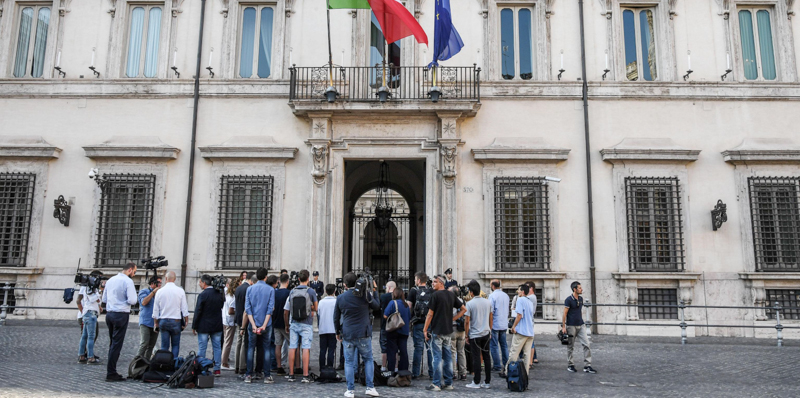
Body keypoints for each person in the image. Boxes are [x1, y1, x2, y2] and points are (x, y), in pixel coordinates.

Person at [334, 272, 381, 398]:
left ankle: (350, 390)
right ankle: (370, 387)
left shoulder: (341, 298)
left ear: (344, 285)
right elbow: (376, 306)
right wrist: (375, 289)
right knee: (368, 359)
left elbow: (336, 317)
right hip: (363, 333)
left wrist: (337, 332)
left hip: (348, 333)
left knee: (348, 362)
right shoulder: (364, 295)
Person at [422, 274, 466, 392]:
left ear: (441, 283)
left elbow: (430, 314)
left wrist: (425, 329)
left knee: (436, 358)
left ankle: (436, 383)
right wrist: (453, 318)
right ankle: (448, 383)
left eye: (435, 282)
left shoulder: (435, 295)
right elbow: (463, 309)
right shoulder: (451, 295)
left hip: (437, 330)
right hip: (448, 330)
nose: (433, 284)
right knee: (447, 358)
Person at [101, 262, 138, 381]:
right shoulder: (128, 281)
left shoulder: (111, 280)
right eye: (135, 272)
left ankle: (111, 370)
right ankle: (111, 373)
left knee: (112, 344)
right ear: (130, 270)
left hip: (110, 314)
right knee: (116, 345)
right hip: (121, 314)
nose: (134, 274)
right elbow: (133, 300)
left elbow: (104, 299)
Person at [284, 269, 318, 382]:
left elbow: (290, 307)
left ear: (298, 279)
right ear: (308, 279)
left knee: (292, 347)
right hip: (306, 323)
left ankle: (291, 374)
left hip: (294, 322)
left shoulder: (292, 291)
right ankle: (305, 375)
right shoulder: (311, 291)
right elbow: (316, 308)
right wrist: (309, 308)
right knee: (305, 348)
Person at [244, 267, 276, 384]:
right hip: (266, 324)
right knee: (266, 348)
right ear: (266, 277)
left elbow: (248, 309)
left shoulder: (250, 289)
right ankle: (267, 375)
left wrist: (253, 325)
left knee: (251, 348)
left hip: (253, 322)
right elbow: (270, 309)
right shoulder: (270, 290)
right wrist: (264, 325)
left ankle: (248, 374)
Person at [193, 274, 225, 376]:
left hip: (204, 325)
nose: (199, 284)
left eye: (200, 282)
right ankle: (217, 368)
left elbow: (198, 311)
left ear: (204, 283)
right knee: (217, 347)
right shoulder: (218, 294)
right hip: (216, 324)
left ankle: (201, 366)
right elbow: (221, 305)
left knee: (202, 347)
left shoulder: (203, 295)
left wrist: (194, 325)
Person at [152, 271, 189, 358]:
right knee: (175, 345)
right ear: (175, 279)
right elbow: (184, 308)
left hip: (163, 320)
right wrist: (186, 321)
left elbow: (155, 310)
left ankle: (164, 364)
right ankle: (174, 364)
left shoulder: (160, 292)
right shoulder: (180, 291)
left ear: (166, 278)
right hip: (176, 321)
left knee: (164, 346)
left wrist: (156, 323)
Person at [463, 280, 492, 389]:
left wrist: (466, 335)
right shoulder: (487, 302)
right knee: (486, 357)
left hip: (475, 334)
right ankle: (487, 381)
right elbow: (491, 317)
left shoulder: (469, 304)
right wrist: (490, 329)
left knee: (476, 358)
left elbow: (467, 321)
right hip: (486, 332)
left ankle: (476, 381)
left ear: (471, 292)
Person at [563, 281, 595, 374]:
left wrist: (581, 320)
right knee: (570, 346)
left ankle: (587, 366)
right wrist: (563, 326)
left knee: (586, 344)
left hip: (580, 325)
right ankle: (570, 364)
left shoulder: (580, 299)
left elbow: (579, 310)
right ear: (575, 289)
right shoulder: (568, 300)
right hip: (571, 326)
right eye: (580, 288)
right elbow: (564, 314)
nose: (582, 289)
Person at [408, 271, 433, 379]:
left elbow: (409, 306)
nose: (414, 281)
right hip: (429, 323)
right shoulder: (431, 291)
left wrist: (410, 319)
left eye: (415, 279)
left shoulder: (413, 291)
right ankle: (432, 373)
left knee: (418, 348)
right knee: (430, 349)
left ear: (418, 280)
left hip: (418, 323)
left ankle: (416, 373)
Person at [506, 284, 535, 374]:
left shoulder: (520, 300)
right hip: (530, 331)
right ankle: (525, 374)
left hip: (521, 331)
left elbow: (519, 315)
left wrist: (514, 326)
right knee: (527, 354)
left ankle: (508, 371)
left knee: (514, 352)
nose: (518, 292)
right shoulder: (530, 302)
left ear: (522, 292)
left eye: (519, 290)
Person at [77, 270, 103, 364]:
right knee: (91, 337)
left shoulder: (87, 287)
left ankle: (81, 355)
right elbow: (94, 299)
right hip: (90, 314)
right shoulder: (90, 288)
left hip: (86, 313)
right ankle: (90, 357)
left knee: (84, 336)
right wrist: (99, 294)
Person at [383, 287, 410, 376]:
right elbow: (409, 316)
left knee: (392, 351)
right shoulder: (406, 305)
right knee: (403, 351)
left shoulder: (392, 303)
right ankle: (404, 371)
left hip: (394, 330)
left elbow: (385, 315)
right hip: (404, 330)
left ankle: (391, 370)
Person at [234, 272, 255, 376]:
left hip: (238, 317)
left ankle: (237, 365)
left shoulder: (239, 288)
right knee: (244, 343)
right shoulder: (248, 289)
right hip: (244, 318)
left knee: (238, 342)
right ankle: (242, 366)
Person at [137, 275, 162, 360]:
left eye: (161, 283)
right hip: (145, 322)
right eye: (158, 283)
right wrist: (153, 292)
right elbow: (143, 302)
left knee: (151, 346)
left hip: (156, 323)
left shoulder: (160, 294)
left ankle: (146, 364)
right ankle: (137, 362)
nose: (160, 285)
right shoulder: (144, 291)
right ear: (152, 283)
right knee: (144, 343)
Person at [488, 279, 509, 374]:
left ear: (493, 286)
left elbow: (490, 312)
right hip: (504, 323)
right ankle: (506, 363)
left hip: (495, 323)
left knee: (494, 345)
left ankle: (497, 365)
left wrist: (489, 325)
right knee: (504, 345)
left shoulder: (492, 296)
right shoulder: (506, 295)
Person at [448, 286, 467, 381]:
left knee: (452, 352)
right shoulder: (463, 301)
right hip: (462, 329)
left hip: (453, 327)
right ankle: (463, 373)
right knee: (461, 351)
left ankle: (453, 373)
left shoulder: (451, 301)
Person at [273, 273, 291, 375]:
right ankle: (293, 366)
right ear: (287, 281)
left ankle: (279, 366)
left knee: (278, 345)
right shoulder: (289, 293)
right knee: (293, 344)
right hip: (286, 323)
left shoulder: (275, 293)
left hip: (276, 322)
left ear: (279, 282)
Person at [318, 283, 338, 369]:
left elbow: (318, 314)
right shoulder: (336, 302)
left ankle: (322, 367)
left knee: (322, 350)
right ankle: (330, 367)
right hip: (332, 329)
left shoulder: (321, 302)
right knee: (331, 350)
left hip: (323, 328)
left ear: (325, 291)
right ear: (334, 291)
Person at [379, 281, 396, 373]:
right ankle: (396, 367)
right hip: (396, 325)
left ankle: (383, 366)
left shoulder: (383, 297)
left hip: (384, 324)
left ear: (389, 288)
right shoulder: (398, 297)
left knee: (384, 347)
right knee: (395, 347)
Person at [221, 278, 237, 370]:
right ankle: (224, 362)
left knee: (226, 341)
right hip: (229, 320)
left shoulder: (226, 294)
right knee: (228, 342)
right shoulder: (232, 297)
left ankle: (224, 360)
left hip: (225, 319)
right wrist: (237, 311)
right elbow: (231, 311)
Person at [525, 281, 539, 365]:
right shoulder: (530, 297)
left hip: (529, 321)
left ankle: (530, 360)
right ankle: (533, 358)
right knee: (530, 340)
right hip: (529, 321)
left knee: (530, 341)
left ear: (531, 288)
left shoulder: (531, 297)